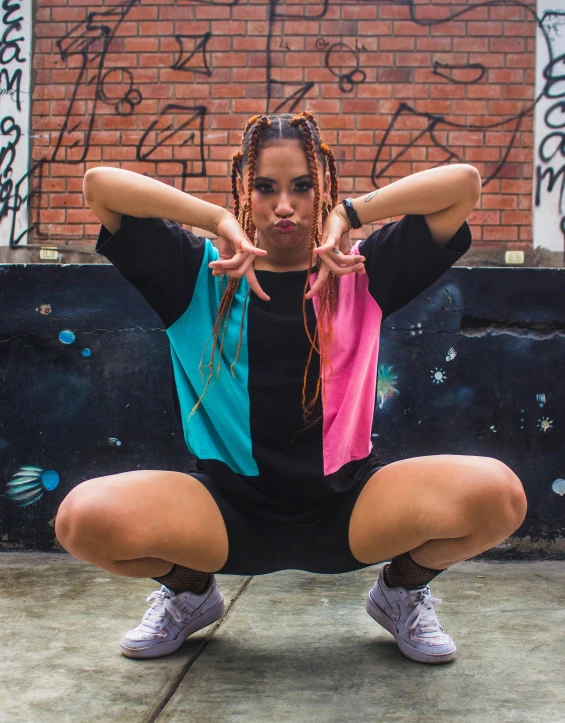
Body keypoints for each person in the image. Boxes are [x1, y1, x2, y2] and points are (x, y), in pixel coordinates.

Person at [55, 111, 527, 665]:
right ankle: (190, 592)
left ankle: (401, 591)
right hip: (226, 514)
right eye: (266, 188)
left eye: (303, 187)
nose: (285, 205)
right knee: (81, 519)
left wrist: (350, 215)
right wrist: (213, 219)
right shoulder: (196, 272)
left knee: (501, 496)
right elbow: (100, 188)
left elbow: (463, 186)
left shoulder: (361, 271)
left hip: (347, 512)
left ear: (320, 189)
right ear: (246, 193)